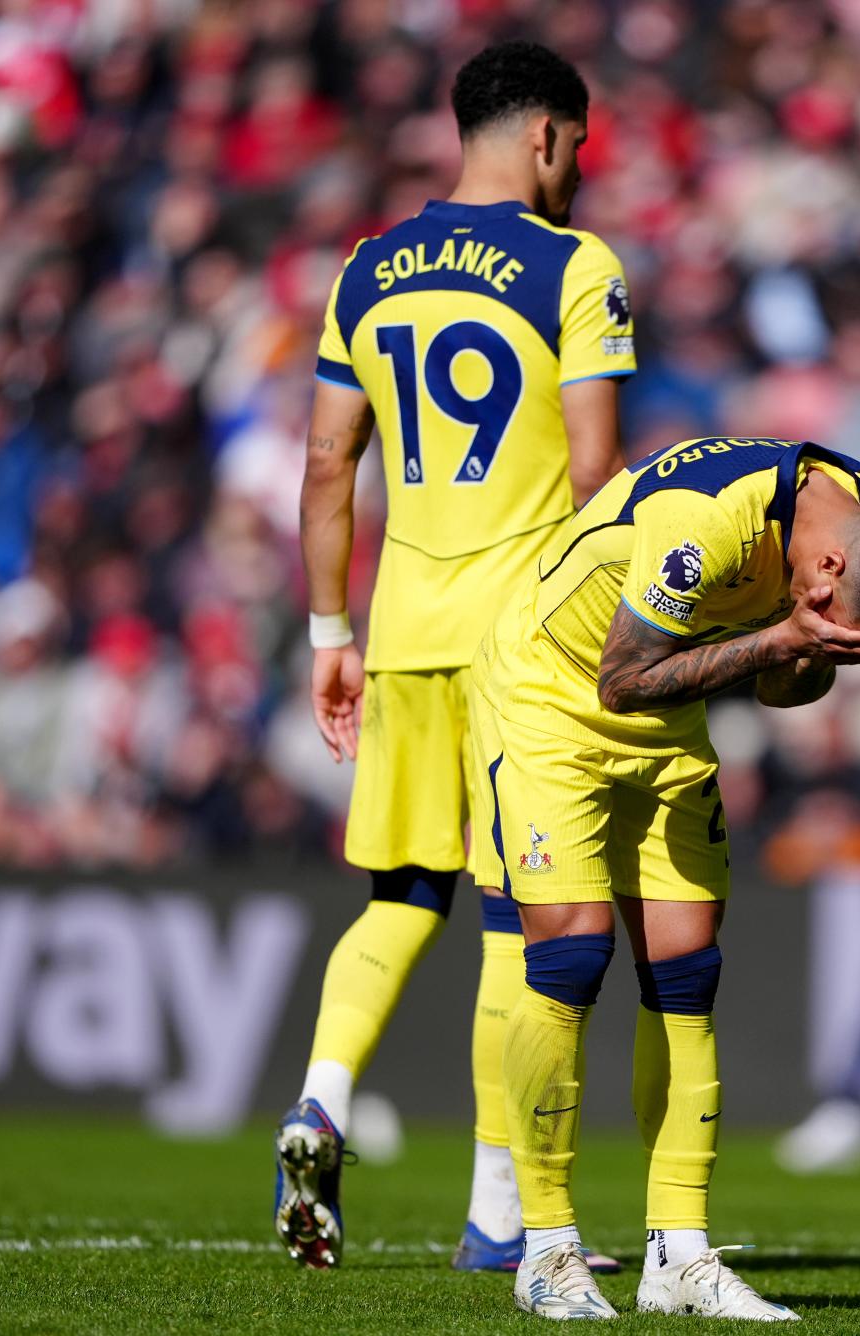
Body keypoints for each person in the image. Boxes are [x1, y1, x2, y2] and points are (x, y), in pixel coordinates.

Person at [274, 41, 633, 1273]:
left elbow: (328, 462)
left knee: (399, 893)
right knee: (510, 918)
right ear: (545, 136)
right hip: (517, 643)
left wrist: (329, 630)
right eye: (579, 144)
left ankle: (320, 1095)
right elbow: (593, 477)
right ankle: (495, 1209)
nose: (581, 168)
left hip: (405, 631)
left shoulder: (367, 268)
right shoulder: (574, 267)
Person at [471, 434, 860, 1319]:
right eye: (830, 605)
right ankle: (543, 1249)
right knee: (572, 954)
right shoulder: (707, 523)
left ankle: (678, 1255)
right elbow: (622, 679)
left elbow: (782, 691)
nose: (823, 615)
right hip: (553, 696)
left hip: (670, 713)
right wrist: (785, 633)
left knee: (687, 969)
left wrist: (810, 648)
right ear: (834, 560)